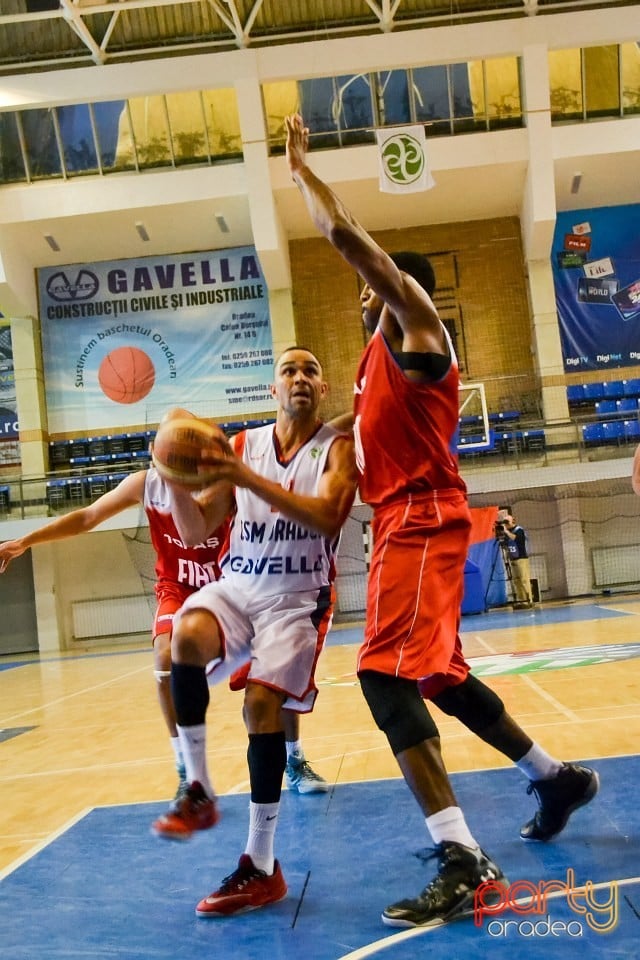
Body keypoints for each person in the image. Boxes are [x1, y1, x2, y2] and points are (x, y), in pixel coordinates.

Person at [285, 112, 599, 929]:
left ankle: (461, 853)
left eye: (375, 284)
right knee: (437, 677)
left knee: (383, 676)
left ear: (401, 291)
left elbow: (354, 242)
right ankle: (554, 775)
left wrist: (300, 173)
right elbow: (354, 435)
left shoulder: (420, 332)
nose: (362, 292)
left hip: (421, 521)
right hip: (399, 525)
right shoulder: (367, 368)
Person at [0, 423, 327, 800]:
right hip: (179, 588)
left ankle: (292, 758)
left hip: (234, 585)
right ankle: (186, 771)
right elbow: (88, 517)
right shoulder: (146, 484)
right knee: (163, 660)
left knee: (274, 673)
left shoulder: (224, 482)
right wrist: (26, 540)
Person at [151, 347, 358, 918]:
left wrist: (244, 478)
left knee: (262, 706)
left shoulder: (338, 451)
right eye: (288, 370)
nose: (299, 377)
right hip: (241, 585)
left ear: (323, 389)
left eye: (310, 370)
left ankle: (261, 867)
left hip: (298, 597)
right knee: (182, 640)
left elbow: (327, 517)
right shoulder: (242, 446)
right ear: (273, 390)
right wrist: (172, 480)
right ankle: (197, 790)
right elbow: (198, 532)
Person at [501, 513, 533, 608]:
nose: (506, 524)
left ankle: (529, 600)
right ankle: (521, 600)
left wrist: (506, 532)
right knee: (516, 581)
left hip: (521, 558)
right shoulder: (507, 532)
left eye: (507, 521)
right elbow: (506, 544)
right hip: (513, 558)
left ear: (513, 521)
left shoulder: (519, 530)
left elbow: (516, 539)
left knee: (524, 580)